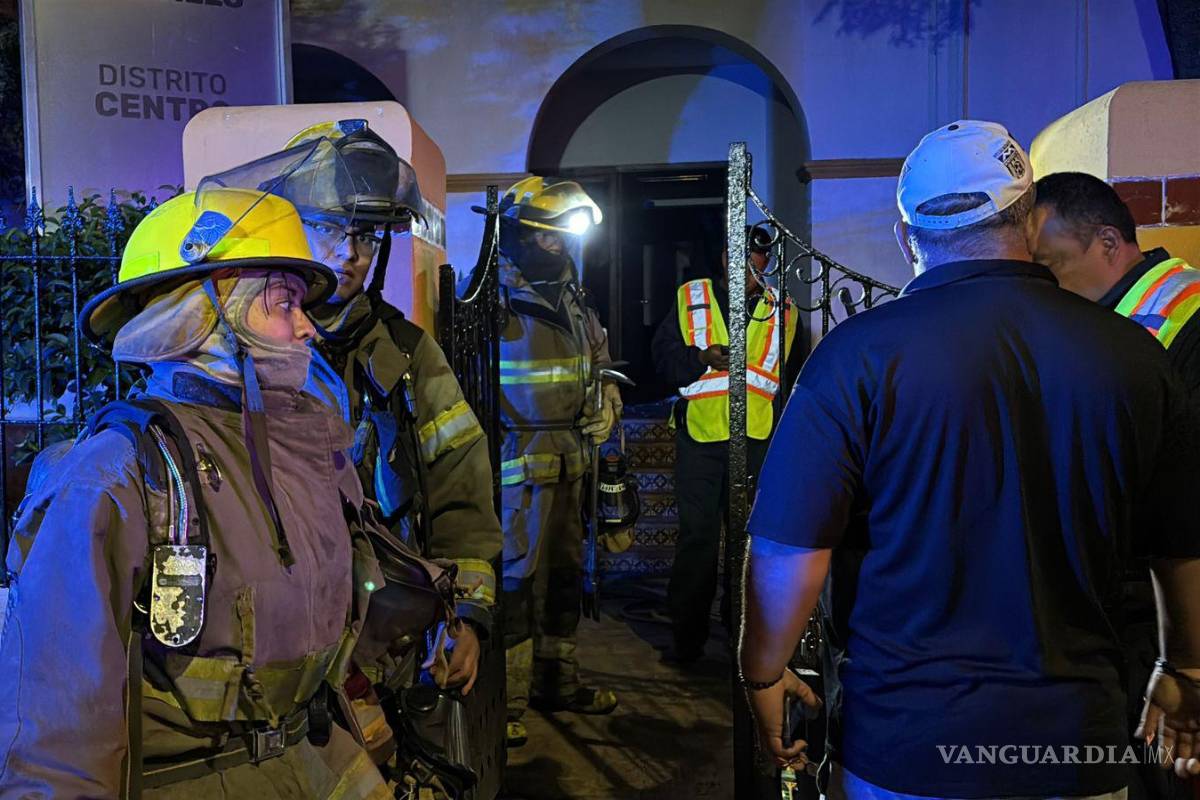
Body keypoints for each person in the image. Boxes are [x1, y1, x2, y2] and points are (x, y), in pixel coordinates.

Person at [738, 120, 1200, 798]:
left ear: (906, 237)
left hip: (904, 745)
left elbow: (787, 552)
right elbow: (1182, 545)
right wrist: (1184, 666)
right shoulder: (1134, 355)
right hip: (1074, 745)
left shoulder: (855, 359)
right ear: (1028, 222)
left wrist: (763, 672)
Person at [0, 184, 453, 797]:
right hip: (198, 777)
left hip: (314, 753)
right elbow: (55, 733)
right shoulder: (111, 477)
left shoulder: (311, 447)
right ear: (202, 316)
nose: (308, 330)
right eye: (283, 303)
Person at [283, 120, 501, 693]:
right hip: (280, 633)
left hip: (389, 632)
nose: (349, 254)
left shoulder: (406, 355)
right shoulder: (247, 352)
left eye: (366, 236)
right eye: (330, 228)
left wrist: (467, 616)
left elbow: (460, 486)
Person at [1034, 171, 1200, 800]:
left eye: (1051, 265)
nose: (1043, 284)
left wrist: (1183, 659)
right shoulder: (1121, 317)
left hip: (1158, 616)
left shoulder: (1174, 320)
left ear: (1108, 242)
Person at [493, 176, 622, 747]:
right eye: (551, 239)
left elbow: (598, 356)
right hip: (517, 465)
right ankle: (508, 702)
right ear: (522, 236)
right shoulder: (491, 299)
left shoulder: (574, 295)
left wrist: (607, 400)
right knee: (514, 585)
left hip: (572, 459)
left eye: (564, 239)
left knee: (567, 579)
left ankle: (558, 685)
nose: (562, 249)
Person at [650, 229, 797, 663]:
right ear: (723, 256)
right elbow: (662, 359)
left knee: (747, 542)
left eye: (756, 256)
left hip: (756, 438)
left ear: (766, 263)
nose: (749, 263)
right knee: (697, 540)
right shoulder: (691, 298)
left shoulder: (782, 307)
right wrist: (700, 358)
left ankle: (742, 640)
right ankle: (688, 641)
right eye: (740, 254)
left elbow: (789, 379)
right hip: (701, 435)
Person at [1034, 171, 1200, 390]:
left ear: (1108, 243)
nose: (1037, 285)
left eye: (1048, 266)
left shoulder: (1190, 314)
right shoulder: (1092, 316)